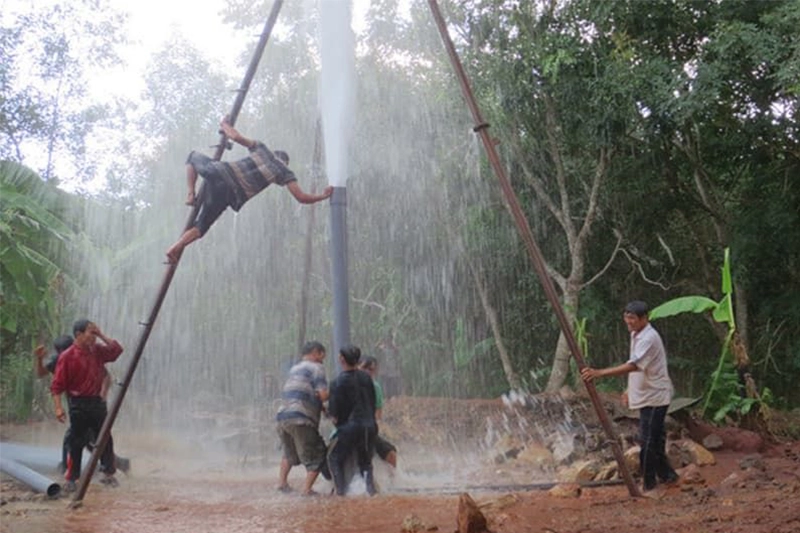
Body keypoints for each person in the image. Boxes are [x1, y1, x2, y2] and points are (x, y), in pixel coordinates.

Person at [166, 117, 334, 263]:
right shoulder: (284, 172)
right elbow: (301, 197)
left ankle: (190, 193)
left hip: (220, 173)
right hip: (230, 195)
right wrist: (323, 196)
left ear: (275, 154)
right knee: (202, 225)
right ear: (285, 162)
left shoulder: (263, 149)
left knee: (192, 157)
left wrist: (223, 124)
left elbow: (235, 136)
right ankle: (177, 245)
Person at [580, 300, 679, 495]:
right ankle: (668, 476)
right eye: (626, 318)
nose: (628, 322)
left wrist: (599, 373)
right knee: (655, 439)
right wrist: (629, 389)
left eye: (632, 318)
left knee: (648, 440)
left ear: (644, 318)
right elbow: (638, 365)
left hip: (656, 396)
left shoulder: (649, 338)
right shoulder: (636, 334)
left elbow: (634, 365)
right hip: (647, 393)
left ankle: (649, 484)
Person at [35, 335, 130, 476]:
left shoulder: (85, 356)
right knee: (87, 441)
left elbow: (106, 376)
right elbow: (42, 374)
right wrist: (39, 359)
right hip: (78, 407)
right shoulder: (61, 359)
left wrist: (102, 397)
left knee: (80, 439)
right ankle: (118, 464)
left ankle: (69, 470)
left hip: (92, 405)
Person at [50, 320, 124, 491]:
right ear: (78, 335)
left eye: (95, 333)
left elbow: (116, 351)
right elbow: (57, 385)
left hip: (97, 402)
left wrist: (101, 335)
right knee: (76, 441)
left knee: (105, 438)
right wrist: (59, 408)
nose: (94, 336)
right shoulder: (67, 356)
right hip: (78, 404)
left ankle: (108, 474)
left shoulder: (96, 351)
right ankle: (72, 478)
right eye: (91, 332)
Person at [275, 341, 330, 496]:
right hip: (301, 418)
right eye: (322, 355)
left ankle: (282, 483)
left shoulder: (295, 368)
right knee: (317, 454)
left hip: (283, 416)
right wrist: (337, 391)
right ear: (315, 352)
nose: (322, 359)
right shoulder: (317, 368)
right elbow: (323, 394)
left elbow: (303, 391)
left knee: (289, 452)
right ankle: (306, 490)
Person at [327, 344, 377, 496]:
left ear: (342, 359)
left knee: (333, 457)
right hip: (370, 426)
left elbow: (334, 416)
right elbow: (372, 402)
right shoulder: (367, 378)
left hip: (349, 428)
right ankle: (371, 492)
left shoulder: (337, 382)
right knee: (366, 463)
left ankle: (340, 492)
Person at [360, 356, 398, 469]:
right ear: (357, 367)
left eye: (371, 369)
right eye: (365, 368)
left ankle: (392, 482)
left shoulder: (375, 387)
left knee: (391, 452)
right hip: (348, 430)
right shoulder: (348, 383)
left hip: (367, 429)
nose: (368, 372)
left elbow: (378, 413)